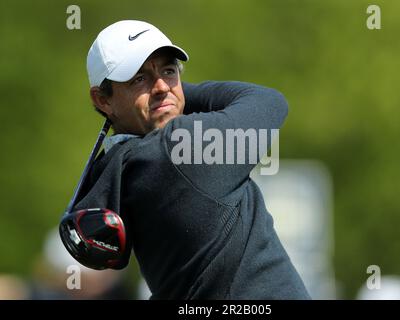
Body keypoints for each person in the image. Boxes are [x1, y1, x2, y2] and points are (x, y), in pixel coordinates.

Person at [72, 19, 310, 299]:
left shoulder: (115, 165)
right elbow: (268, 101)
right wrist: (175, 95)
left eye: (169, 71)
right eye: (139, 79)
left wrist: (164, 97)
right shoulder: (181, 144)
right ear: (103, 100)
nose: (160, 85)